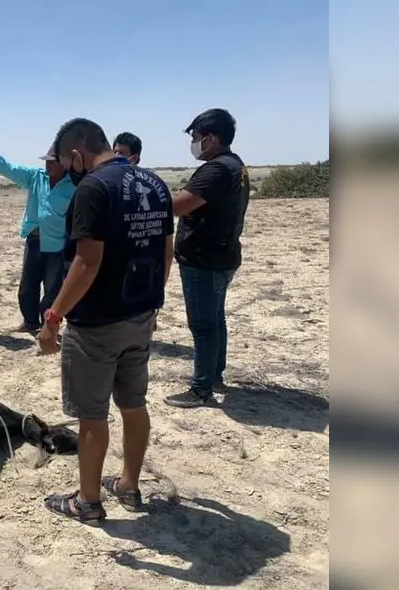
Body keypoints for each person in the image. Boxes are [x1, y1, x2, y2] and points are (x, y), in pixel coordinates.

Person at [37, 118, 174, 526]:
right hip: (140, 313)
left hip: (97, 321)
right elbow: (165, 250)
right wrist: (153, 302)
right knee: (133, 403)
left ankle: (88, 501)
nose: (67, 170)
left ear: (77, 154)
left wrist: (53, 316)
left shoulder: (93, 189)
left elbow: (86, 261)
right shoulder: (153, 183)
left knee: (92, 413)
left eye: (66, 162)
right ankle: (128, 484)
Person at [163, 108, 251, 409]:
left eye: (197, 137)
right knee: (215, 320)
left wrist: (161, 195)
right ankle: (214, 376)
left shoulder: (215, 170)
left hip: (205, 259)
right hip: (222, 256)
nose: (194, 143)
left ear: (211, 138)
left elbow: (177, 207)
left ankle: (201, 389)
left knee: (203, 325)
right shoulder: (235, 165)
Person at [0, 144, 75, 334]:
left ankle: (48, 325)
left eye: (52, 162)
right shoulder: (36, 177)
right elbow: (10, 169)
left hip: (57, 244)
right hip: (34, 241)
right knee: (28, 285)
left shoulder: (73, 186)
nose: (48, 166)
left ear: (65, 164)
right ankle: (30, 322)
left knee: (53, 288)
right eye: (47, 162)